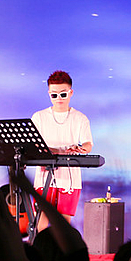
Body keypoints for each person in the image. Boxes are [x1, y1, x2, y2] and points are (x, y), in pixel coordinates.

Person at [31, 70, 93, 231]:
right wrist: (51, 149)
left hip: (69, 177)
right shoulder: (39, 117)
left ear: (71, 93)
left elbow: (88, 144)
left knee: (64, 225)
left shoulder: (80, 118)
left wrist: (80, 149)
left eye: (63, 94)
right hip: (44, 175)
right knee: (41, 218)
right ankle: (40, 246)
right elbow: (34, 144)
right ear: (49, 94)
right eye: (54, 95)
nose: (58, 98)